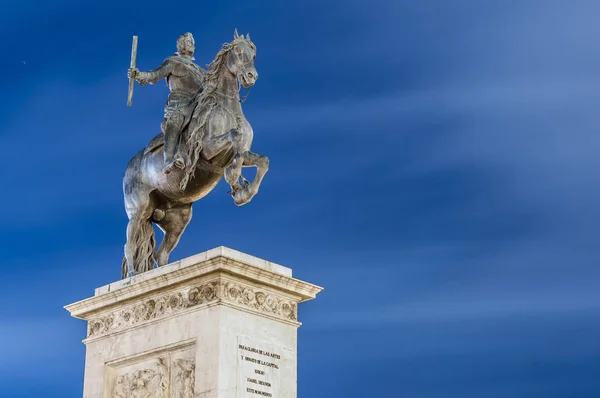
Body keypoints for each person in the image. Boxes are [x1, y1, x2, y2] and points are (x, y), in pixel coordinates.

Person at [128, 32, 205, 173]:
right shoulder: (172, 62)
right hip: (179, 102)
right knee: (175, 120)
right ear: (181, 45)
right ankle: (169, 158)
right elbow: (154, 75)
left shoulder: (201, 71)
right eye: (188, 42)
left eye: (193, 42)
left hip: (198, 104)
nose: (192, 45)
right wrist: (139, 75)